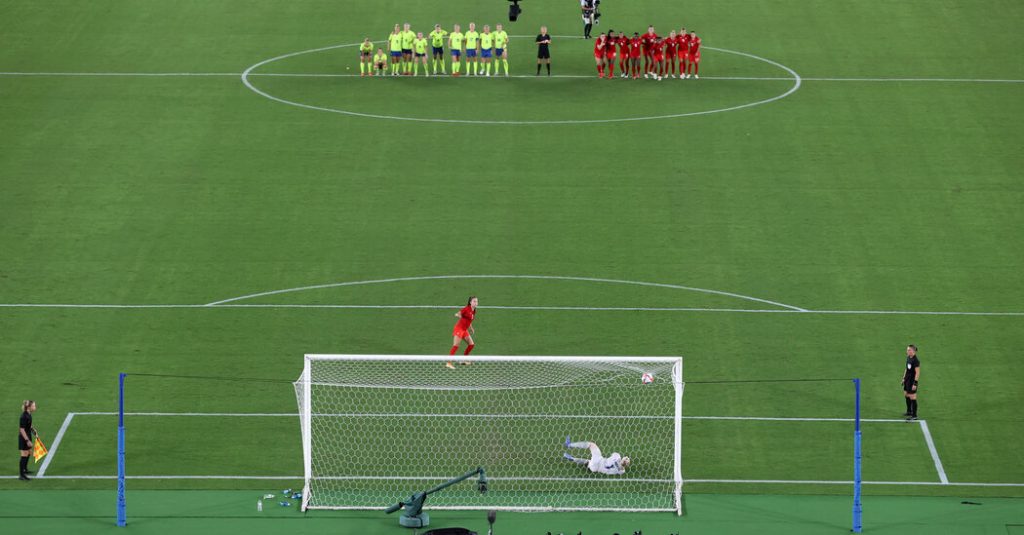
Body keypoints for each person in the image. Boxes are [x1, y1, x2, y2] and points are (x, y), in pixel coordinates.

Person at [563, 436, 630, 475]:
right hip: (595, 469)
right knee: (588, 462)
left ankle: (569, 445)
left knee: (591, 445)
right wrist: (622, 465)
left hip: (599, 460)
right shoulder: (622, 471)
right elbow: (621, 468)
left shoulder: (617, 456)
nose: (626, 457)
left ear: (623, 458)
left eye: (626, 458)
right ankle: (572, 458)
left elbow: (613, 455)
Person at [447, 296, 478, 369]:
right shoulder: (466, 309)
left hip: (464, 330)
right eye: (474, 301)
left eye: (476, 301)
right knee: (456, 345)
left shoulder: (474, 311)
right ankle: (448, 363)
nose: (476, 303)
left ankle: (464, 360)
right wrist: (461, 317)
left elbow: (469, 320)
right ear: (470, 302)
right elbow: (457, 314)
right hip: (459, 329)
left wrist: (471, 328)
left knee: (471, 344)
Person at [18, 400, 37, 481]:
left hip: (28, 435)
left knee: (28, 452)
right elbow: (21, 429)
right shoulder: (23, 416)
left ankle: (25, 469)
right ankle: (21, 475)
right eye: (34, 406)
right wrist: (27, 440)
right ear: (29, 407)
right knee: (24, 455)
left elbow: (29, 425)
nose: (35, 407)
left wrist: (33, 430)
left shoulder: (29, 414)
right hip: (24, 438)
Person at [902, 345, 921, 421]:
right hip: (907, 379)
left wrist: (915, 383)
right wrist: (903, 378)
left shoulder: (916, 360)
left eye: (909, 350)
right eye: (907, 350)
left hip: (912, 381)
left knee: (912, 397)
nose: (907, 351)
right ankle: (909, 411)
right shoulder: (908, 357)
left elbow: (917, 373)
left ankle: (914, 415)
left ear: (913, 351)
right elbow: (906, 369)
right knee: (906, 394)